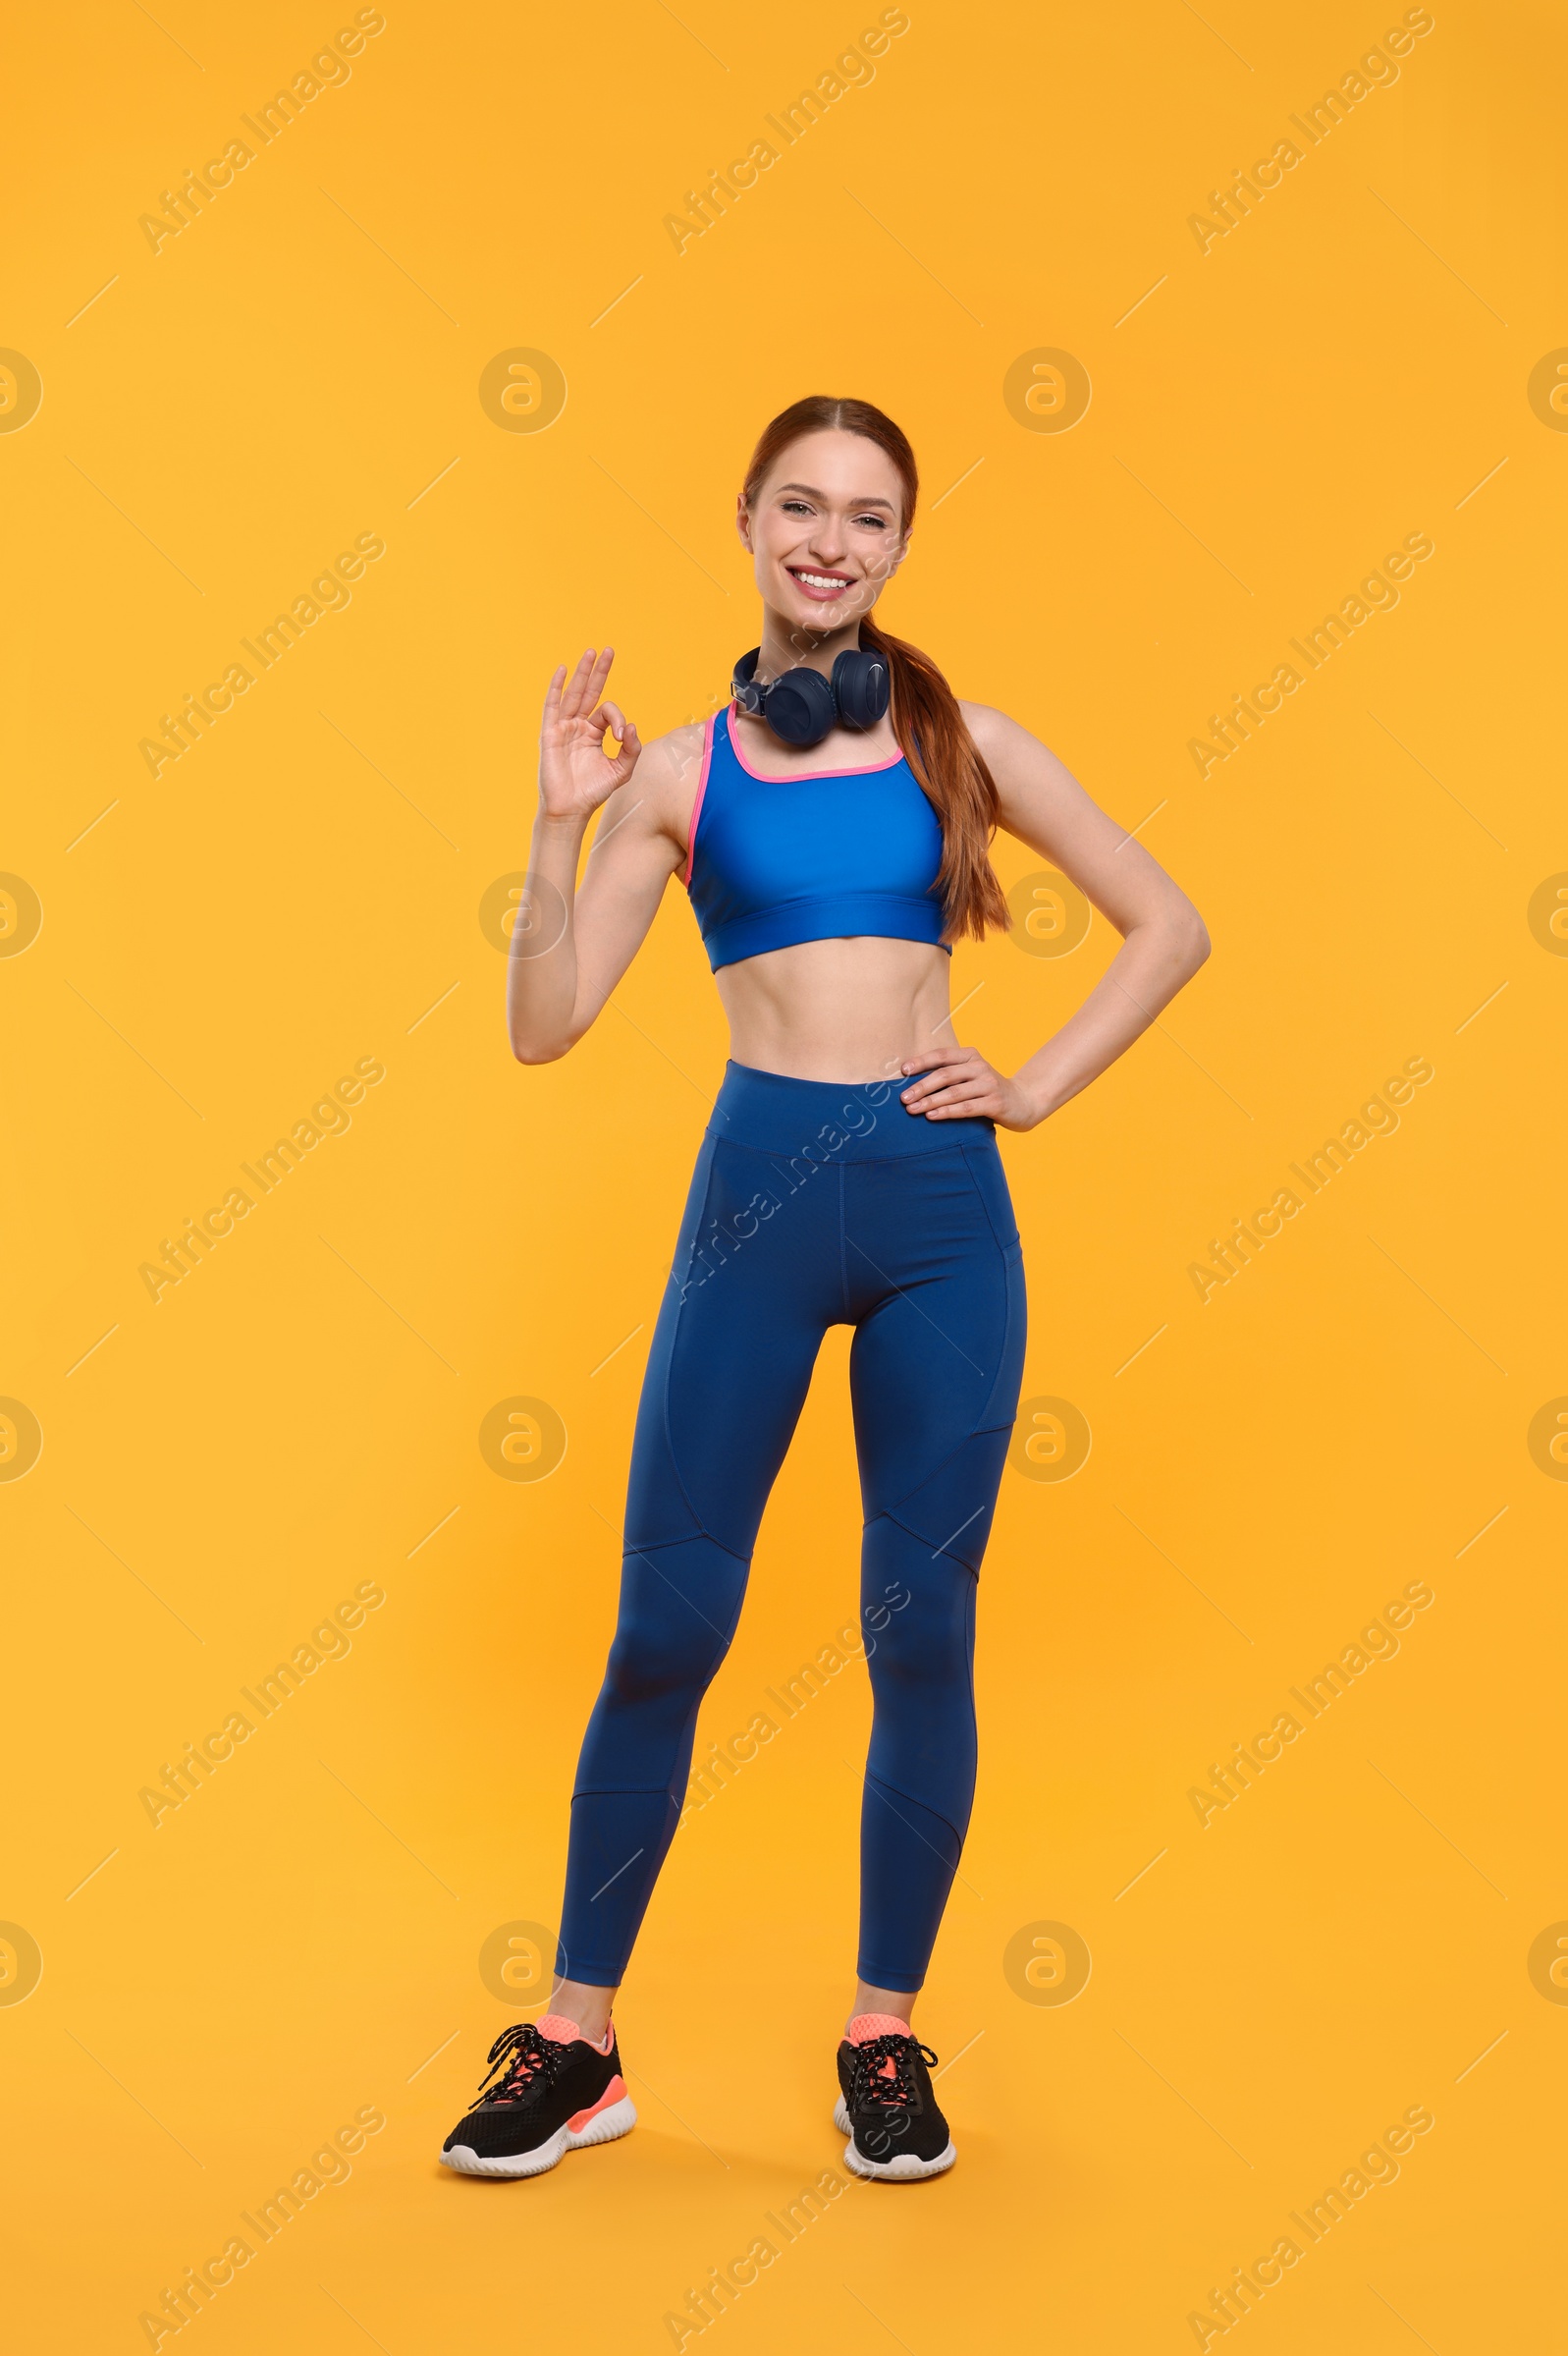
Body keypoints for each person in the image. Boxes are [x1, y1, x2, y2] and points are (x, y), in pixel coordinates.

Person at [441, 395, 1209, 2183]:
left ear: (899, 549)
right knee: (664, 1629)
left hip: (943, 1213)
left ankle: (885, 2032)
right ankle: (579, 2042)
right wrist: (555, 830)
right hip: (757, 1208)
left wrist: (1036, 1080)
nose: (830, 541)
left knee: (918, 1630)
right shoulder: (678, 776)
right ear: (748, 517)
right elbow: (544, 1030)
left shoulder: (968, 745)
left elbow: (1166, 921)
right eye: (801, 505)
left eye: (868, 517)